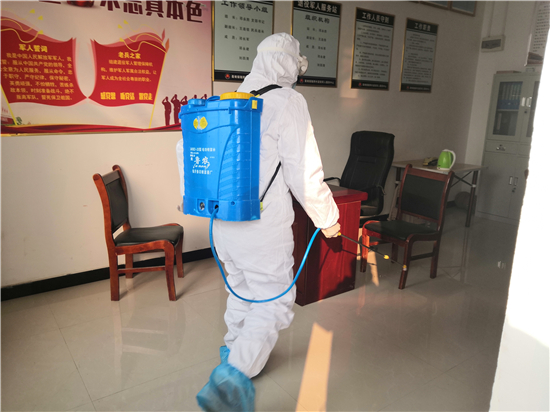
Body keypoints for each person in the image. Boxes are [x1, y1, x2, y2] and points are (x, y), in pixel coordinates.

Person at [177, 32, 340, 412]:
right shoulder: (288, 102)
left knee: (242, 290)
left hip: (221, 223)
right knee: (275, 300)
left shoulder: (226, 101)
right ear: (289, 66)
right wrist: (328, 218)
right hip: (261, 227)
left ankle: (234, 349)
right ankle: (231, 379)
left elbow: (187, 153)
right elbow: (304, 172)